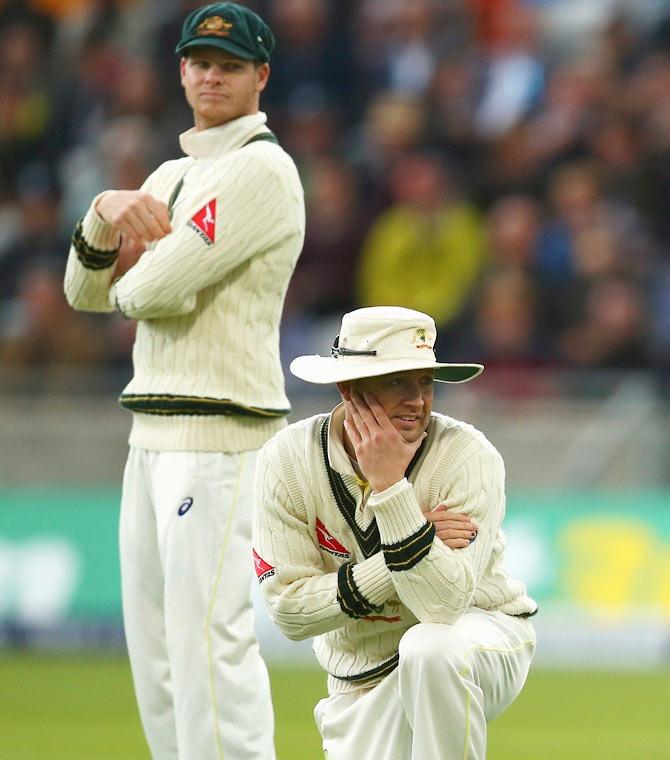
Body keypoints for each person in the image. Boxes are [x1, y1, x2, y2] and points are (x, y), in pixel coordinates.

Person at [63, 4, 305, 759]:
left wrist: (140, 273)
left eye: (229, 66)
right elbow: (84, 293)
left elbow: (145, 293)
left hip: (222, 434)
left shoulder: (263, 169)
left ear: (260, 77)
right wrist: (105, 214)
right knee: (159, 654)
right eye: (199, 62)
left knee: (209, 643)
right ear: (180, 70)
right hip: (153, 434)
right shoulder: (170, 174)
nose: (211, 76)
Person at [253, 306, 537, 760]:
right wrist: (401, 555)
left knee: (430, 649)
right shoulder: (285, 461)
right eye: (397, 381)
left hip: (481, 633)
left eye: (425, 381)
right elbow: (289, 612)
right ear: (349, 389)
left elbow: (443, 605)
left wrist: (390, 488)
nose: (417, 400)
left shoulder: (467, 455)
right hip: (360, 674)